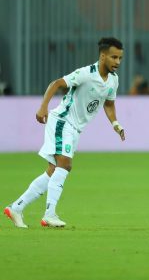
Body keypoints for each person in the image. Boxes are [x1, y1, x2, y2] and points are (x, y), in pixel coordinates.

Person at [4, 38, 125, 228]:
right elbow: (56, 83)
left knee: (53, 171)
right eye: (114, 57)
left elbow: (109, 104)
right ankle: (49, 214)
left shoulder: (113, 80)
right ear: (103, 56)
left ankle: (16, 208)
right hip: (62, 121)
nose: (117, 62)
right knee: (65, 165)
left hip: (75, 128)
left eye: (120, 58)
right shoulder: (86, 74)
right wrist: (43, 106)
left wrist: (116, 124)